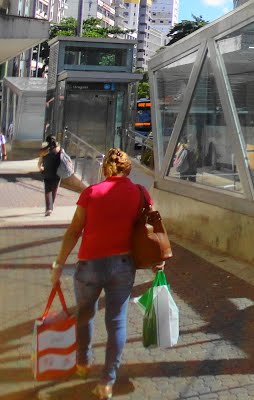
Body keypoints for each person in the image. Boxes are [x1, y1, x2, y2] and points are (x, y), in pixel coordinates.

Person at [49, 149, 160, 399]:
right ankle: (107, 382)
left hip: (89, 265)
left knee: (85, 315)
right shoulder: (141, 193)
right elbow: (153, 229)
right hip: (123, 265)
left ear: (106, 169)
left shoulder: (91, 193)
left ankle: (82, 363)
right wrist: (157, 260)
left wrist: (58, 263)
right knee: (117, 322)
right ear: (128, 169)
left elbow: (74, 231)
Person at [37, 135, 62, 216]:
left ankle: (49, 208)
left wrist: (41, 168)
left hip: (47, 173)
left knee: (48, 191)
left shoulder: (43, 151)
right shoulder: (60, 150)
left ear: (47, 142)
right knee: (54, 190)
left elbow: (39, 163)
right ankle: (51, 207)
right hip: (57, 174)